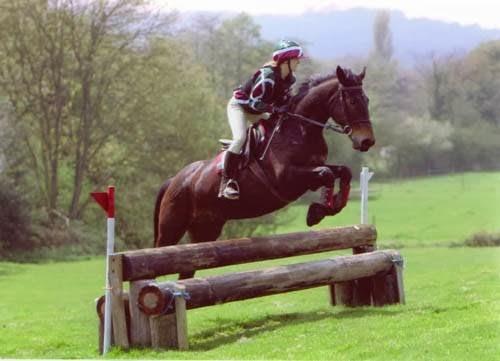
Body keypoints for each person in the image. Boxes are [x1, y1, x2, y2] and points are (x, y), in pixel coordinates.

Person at [219, 40, 305, 200]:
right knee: (239, 138)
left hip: (258, 109)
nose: (299, 61)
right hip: (240, 107)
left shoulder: (289, 78)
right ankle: (228, 181)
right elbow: (254, 103)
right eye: (296, 59)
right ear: (286, 60)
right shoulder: (268, 77)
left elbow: (280, 100)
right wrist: (274, 109)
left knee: (278, 130)